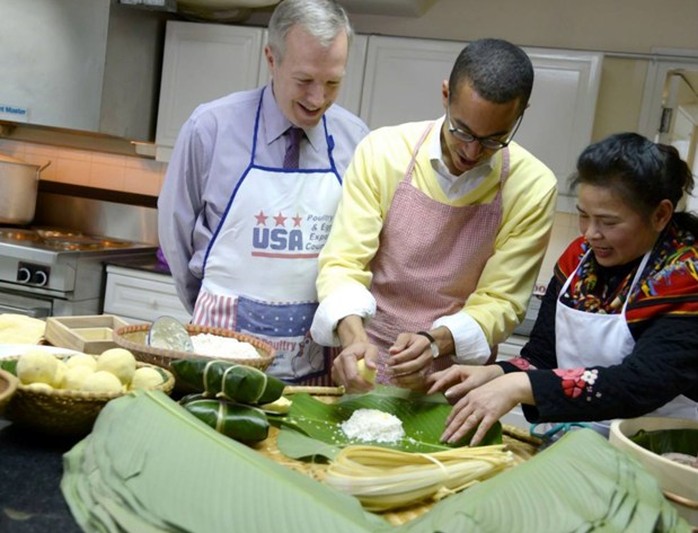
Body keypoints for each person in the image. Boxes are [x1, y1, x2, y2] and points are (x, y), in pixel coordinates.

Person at [310, 38, 558, 393]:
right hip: (363, 361)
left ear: (521, 114)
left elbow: (501, 302)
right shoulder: (384, 152)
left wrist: (434, 342)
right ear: (445, 94)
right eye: (463, 131)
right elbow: (344, 263)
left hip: (455, 382)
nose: (472, 152)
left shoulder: (532, 186)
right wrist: (352, 339)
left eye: (494, 139)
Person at [427, 132, 698, 446]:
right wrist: (497, 374)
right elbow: (543, 355)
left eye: (608, 222)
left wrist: (520, 386)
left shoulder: (685, 276)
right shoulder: (579, 261)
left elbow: (641, 382)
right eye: (584, 216)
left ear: (660, 215)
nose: (591, 234)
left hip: (659, 449)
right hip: (579, 443)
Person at [157, 0, 370, 385]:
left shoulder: (357, 140)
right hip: (218, 352)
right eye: (304, 81)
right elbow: (177, 237)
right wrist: (213, 304)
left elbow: (360, 253)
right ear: (271, 59)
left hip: (316, 363)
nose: (317, 99)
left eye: (333, 82)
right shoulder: (211, 128)